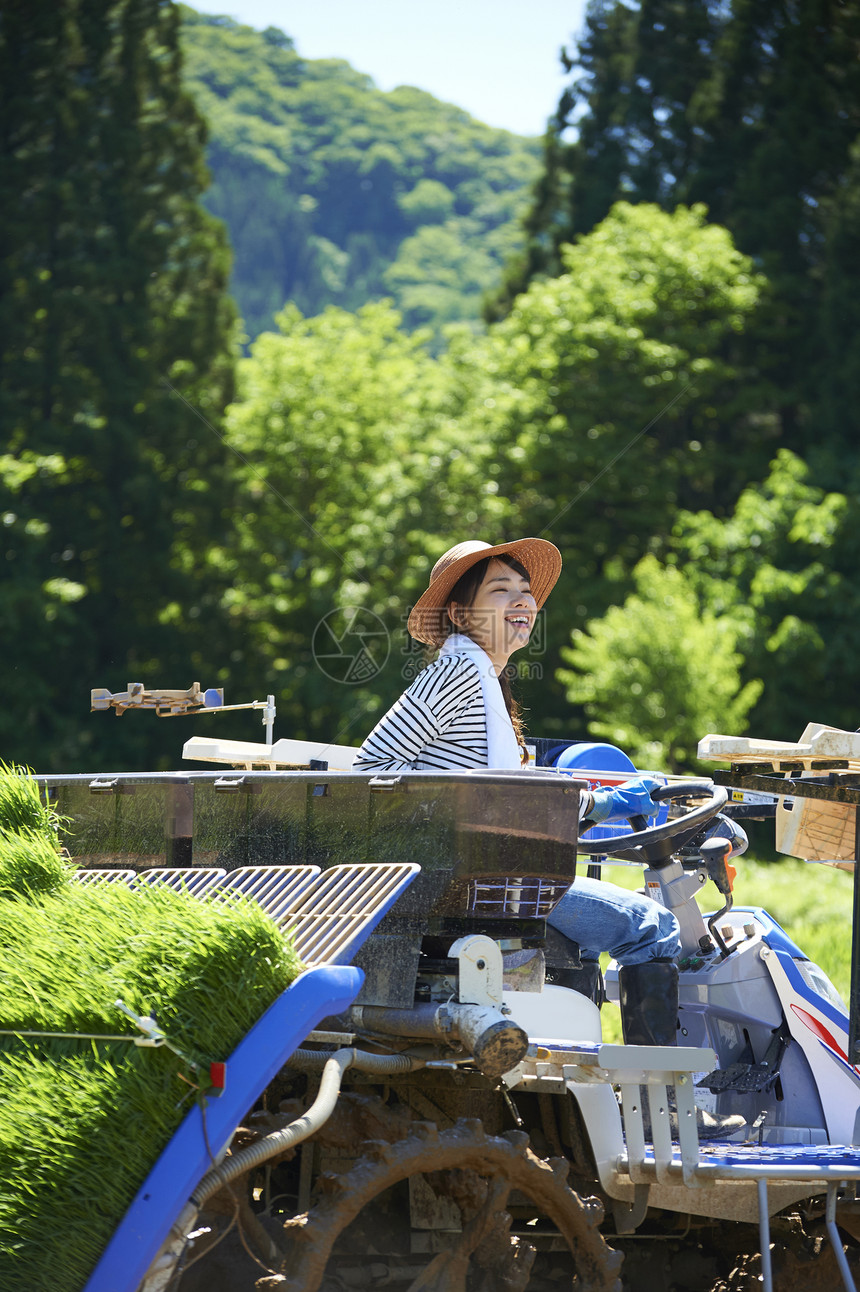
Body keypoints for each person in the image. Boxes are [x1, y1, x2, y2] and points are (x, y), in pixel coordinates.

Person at [355, 537, 680, 1023]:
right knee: (654, 926)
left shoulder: (479, 676)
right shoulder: (457, 674)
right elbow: (368, 773)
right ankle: (661, 1094)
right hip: (482, 884)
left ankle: (574, 1053)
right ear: (461, 615)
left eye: (524, 591)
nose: (522, 600)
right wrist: (600, 805)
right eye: (501, 590)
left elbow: (506, 793)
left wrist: (590, 803)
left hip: (483, 877)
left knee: (586, 944)